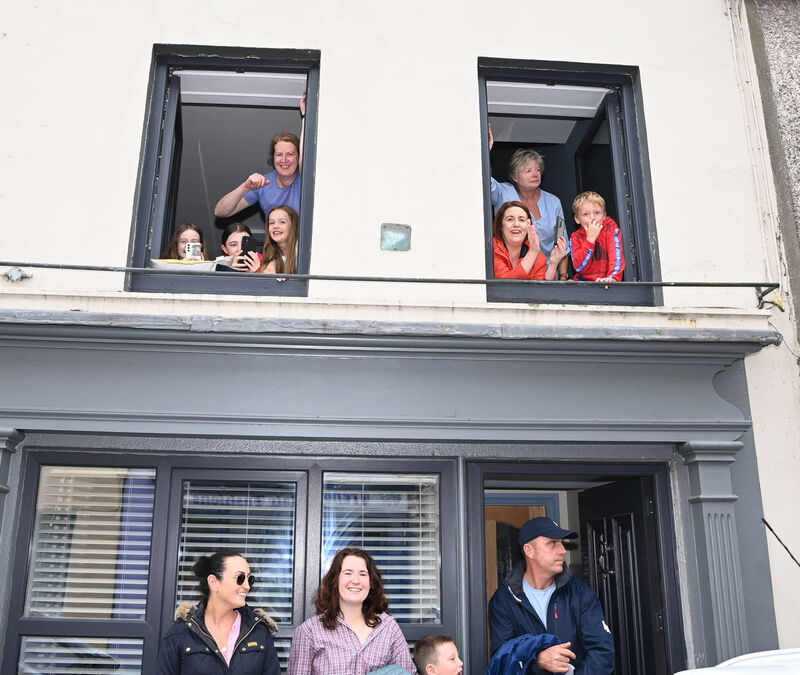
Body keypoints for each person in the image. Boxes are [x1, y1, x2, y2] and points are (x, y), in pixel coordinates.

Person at [488, 517, 614, 674]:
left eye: (561, 543)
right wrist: (538, 661)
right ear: (529, 551)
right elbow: (503, 662)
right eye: (553, 543)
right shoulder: (504, 601)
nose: (563, 550)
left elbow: (602, 654)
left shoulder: (581, 594)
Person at [287, 547, 416, 675]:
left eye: (363, 574)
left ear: (371, 582)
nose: (355, 581)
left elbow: (406, 672)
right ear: (335, 581)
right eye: (348, 573)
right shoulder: (310, 631)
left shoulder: (389, 628)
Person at [157, 550, 280, 675]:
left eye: (250, 579)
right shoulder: (180, 634)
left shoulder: (259, 633)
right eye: (240, 578)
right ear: (213, 582)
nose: (247, 586)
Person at [488, 125, 568, 280]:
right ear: (515, 177)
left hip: (547, 275)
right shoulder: (503, 192)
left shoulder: (554, 202)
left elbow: (562, 242)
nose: (535, 174)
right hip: (511, 272)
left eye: (538, 170)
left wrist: (563, 277)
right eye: (528, 170)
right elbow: (483, 181)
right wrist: (486, 151)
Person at [214, 94, 306, 220]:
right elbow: (221, 212)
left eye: (290, 154)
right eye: (279, 154)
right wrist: (245, 187)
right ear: (273, 158)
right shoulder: (264, 184)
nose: (284, 160)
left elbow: (307, 149)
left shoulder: (305, 178)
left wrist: (305, 115)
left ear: (299, 157)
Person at [493, 201, 568, 280]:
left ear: (528, 226)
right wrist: (532, 253)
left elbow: (542, 289)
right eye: (510, 219)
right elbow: (505, 285)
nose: (516, 224)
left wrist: (553, 265)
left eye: (521, 220)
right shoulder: (491, 249)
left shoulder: (538, 256)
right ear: (501, 225)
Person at [569, 191, 625, 282]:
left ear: (604, 215)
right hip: (584, 284)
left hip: (607, 281)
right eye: (586, 214)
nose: (592, 217)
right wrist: (590, 240)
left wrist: (612, 278)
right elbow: (579, 267)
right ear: (577, 219)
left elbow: (616, 257)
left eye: (597, 212)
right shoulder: (575, 237)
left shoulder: (610, 229)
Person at [240, 205, 299, 275]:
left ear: (293, 226)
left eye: (282, 222)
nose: (275, 226)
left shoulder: (302, 253)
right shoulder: (270, 254)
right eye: (271, 223)